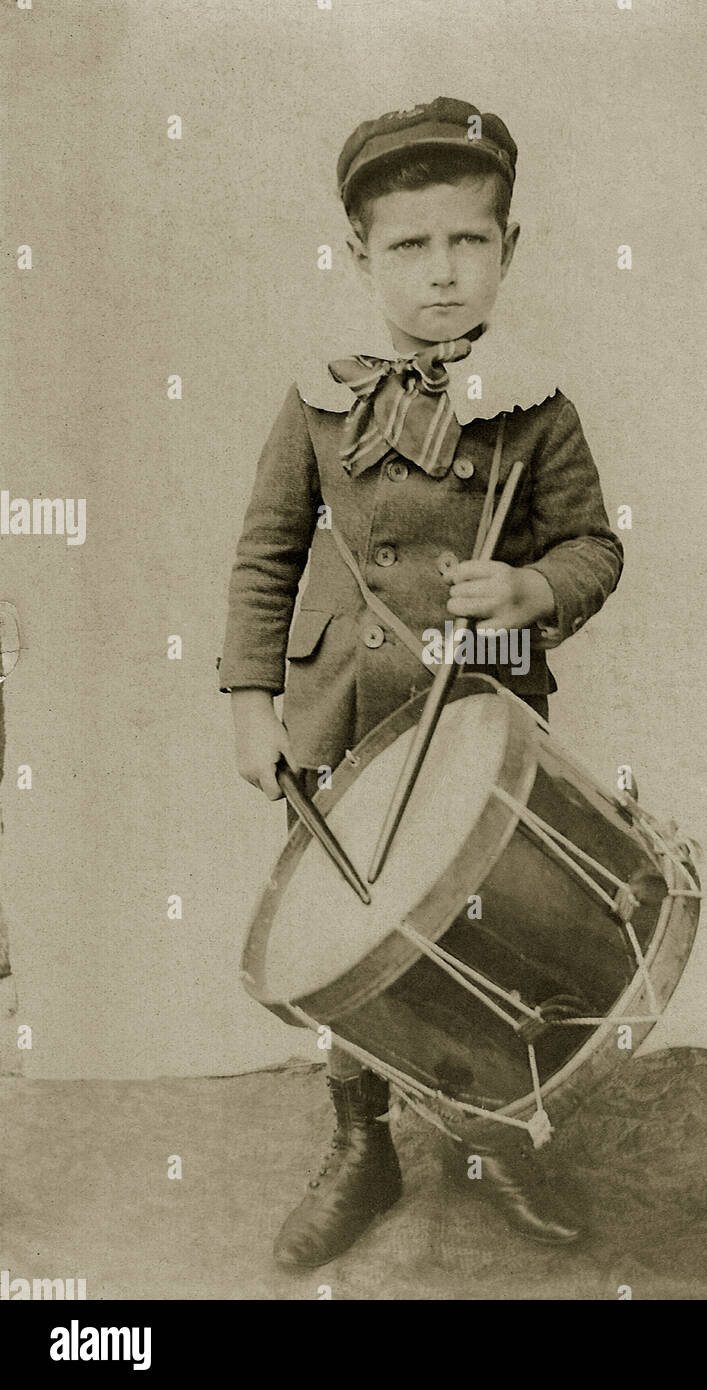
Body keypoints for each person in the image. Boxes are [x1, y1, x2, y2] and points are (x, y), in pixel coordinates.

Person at [218, 96, 624, 1268]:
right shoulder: (315, 397)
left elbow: (596, 548)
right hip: (347, 716)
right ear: (359, 255)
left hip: (483, 715)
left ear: (509, 249)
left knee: (484, 933)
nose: (442, 274)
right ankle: (363, 1145)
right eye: (409, 246)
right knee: (356, 940)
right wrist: (254, 702)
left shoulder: (537, 405)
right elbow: (265, 553)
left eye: (469, 242)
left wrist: (530, 594)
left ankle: (501, 1136)